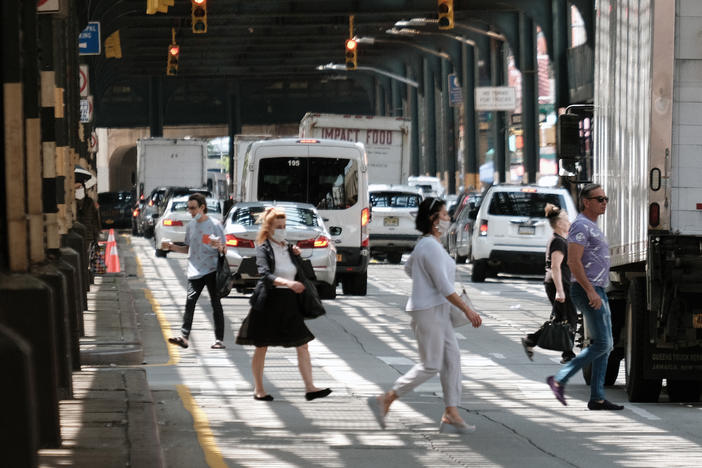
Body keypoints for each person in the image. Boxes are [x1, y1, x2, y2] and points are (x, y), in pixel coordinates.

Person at [367, 197, 482, 433]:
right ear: (433, 219)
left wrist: (424, 283)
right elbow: (444, 286)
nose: (449, 219)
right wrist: (468, 310)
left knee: (452, 359)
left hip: (436, 309)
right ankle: (387, 398)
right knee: (431, 365)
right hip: (429, 311)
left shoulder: (428, 245)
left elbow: (410, 268)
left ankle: (451, 412)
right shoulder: (429, 246)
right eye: (445, 215)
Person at [235, 207, 332, 402]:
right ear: (269, 228)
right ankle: (259, 389)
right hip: (268, 302)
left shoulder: (289, 248)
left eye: (284, 226)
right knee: (261, 346)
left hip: (289, 303)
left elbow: (300, 272)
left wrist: (298, 255)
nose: (282, 230)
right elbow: (265, 274)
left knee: (303, 344)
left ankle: (310, 387)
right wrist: (287, 282)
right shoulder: (263, 248)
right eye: (278, 226)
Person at [546, 184, 624, 411]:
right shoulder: (580, 226)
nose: (604, 202)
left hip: (598, 288)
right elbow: (573, 262)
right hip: (587, 289)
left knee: (605, 345)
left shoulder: (591, 226)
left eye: (605, 198)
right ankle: (560, 378)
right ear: (586, 202)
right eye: (599, 199)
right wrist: (590, 291)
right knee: (603, 343)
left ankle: (597, 397)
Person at [166, 193, 227, 350]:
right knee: (190, 302)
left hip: (212, 269)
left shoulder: (215, 224)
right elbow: (188, 248)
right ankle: (184, 337)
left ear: (202, 207)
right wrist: (172, 247)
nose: (191, 211)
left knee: (215, 303)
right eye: (189, 208)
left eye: (193, 208)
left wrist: (218, 246)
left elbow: (224, 250)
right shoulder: (191, 225)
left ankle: (219, 339)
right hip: (195, 269)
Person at [521, 204, 578, 363]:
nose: (569, 223)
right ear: (559, 223)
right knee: (570, 317)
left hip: (559, 283)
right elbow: (555, 266)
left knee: (561, 318)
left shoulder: (559, 240)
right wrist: (560, 291)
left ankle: (531, 340)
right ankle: (567, 353)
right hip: (558, 284)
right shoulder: (558, 241)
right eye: (567, 220)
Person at [75, 181, 101, 245]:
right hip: (77, 235)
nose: (79, 189)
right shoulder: (72, 202)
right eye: (76, 187)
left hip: (89, 236)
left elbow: (95, 220)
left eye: (80, 187)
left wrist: (96, 236)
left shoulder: (89, 202)